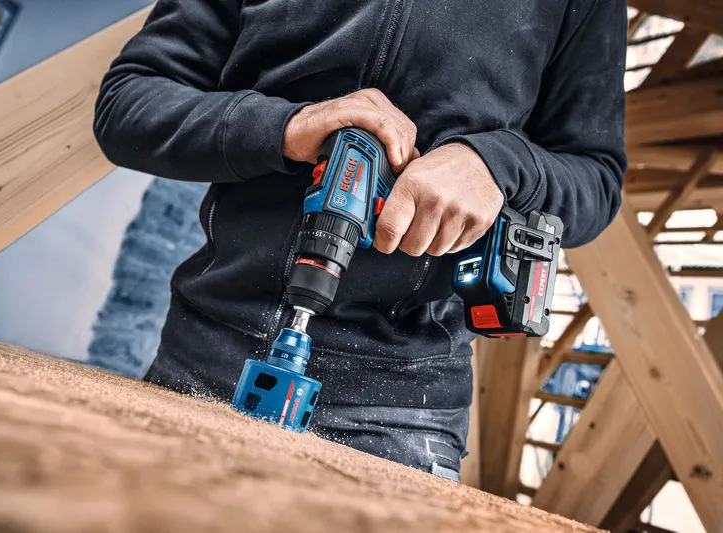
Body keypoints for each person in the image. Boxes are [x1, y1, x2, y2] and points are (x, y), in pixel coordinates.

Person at [94, 0, 627, 482]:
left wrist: (497, 164)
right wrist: (286, 127)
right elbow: (128, 100)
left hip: (398, 410)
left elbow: (597, 177)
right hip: (204, 355)